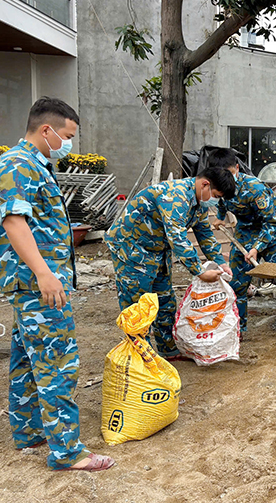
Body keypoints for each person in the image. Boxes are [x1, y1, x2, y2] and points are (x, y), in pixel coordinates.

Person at [0, 97, 114, 471]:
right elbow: (13, 221)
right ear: (46, 130)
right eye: (67, 135)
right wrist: (44, 273)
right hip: (39, 284)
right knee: (57, 363)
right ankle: (68, 452)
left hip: (34, 283)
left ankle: (29, 432)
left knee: (25, 360)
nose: (69, 143)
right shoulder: (18, 164)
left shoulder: (35, 164)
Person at [105, 167, 236, 359]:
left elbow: (205, 233)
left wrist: (218, 261)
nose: (215, 200)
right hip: (133, 248)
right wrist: (199, 271)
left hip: (158, 249)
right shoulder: (176, 197)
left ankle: (168, 350)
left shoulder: (199, 202)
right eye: (216, 195)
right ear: (205, 184)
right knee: (137, 304)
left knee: (165, 301)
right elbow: (178, 238)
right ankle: (142, 356)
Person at [204, 148, 276, 336]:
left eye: (228, 174)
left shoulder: (255, 189)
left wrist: (256, 248)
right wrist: (221, 217)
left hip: (273, 233)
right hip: (245, 233)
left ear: (237, 168)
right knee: (236, 284)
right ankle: (238, 328)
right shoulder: (221, 187)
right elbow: (222, 202)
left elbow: (271, 222)